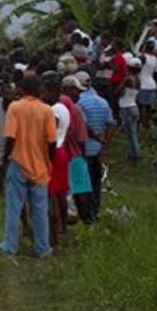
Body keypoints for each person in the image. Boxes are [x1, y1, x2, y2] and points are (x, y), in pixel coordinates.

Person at [0, 75, 56, 258]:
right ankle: (42, 247)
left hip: (18, 163)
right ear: (39, 90)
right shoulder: (47, 111)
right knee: (39, 209)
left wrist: (7, 156)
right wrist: (49, 160)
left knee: (14, 207)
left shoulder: (15, 108)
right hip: (40, 166)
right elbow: (52, 141)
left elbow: (11, 137)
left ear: (22, 90)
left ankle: (9, 246)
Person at [75, 72, 116, 222]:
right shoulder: (103, 102)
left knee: (82, 186)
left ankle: (86, 217)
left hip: (84, 150)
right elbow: (111, 124)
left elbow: (83, 126)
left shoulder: (79, 103)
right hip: (98, 150)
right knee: (96, 184)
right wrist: (104, 144)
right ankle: (95, 212)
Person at [41, 72, 70, 247]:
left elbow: (50, 134)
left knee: (50, 197)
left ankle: (53, 238)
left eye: (45, 91)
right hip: (61, 151)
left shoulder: (55, 110)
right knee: (60, 194)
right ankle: (63, 228)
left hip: (54, 153)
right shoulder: (64, 107)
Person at [62, 76, 94, 225]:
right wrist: (83, 159)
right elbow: (81, 139)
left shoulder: (55, 106)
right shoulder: (75, 110)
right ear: (67, 90)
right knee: (80, 190)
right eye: (75, 91)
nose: (78, 94)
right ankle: (87, 222)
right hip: (75, 154)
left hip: (60, 155)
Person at [118, 57, 142, 164]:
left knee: (130, 134)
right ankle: (133, 153)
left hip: (127, 107)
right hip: (133, 105)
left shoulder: (128, 79)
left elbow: (119, 90)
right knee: (133, 132)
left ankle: (135, 155)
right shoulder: (138, 79)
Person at [137, 43, 157, 130]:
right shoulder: (154, 58)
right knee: (149, 107)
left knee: (142, 106)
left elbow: (137, 66)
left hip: (143, 85)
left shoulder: (143, 57)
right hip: (152, 85)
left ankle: (142, 125)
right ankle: (148, 125)